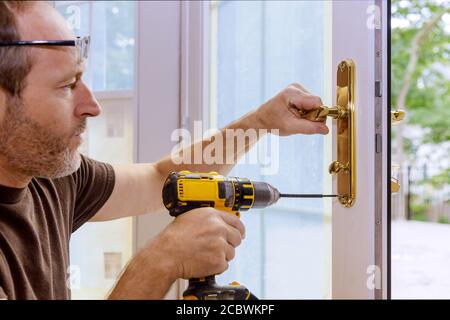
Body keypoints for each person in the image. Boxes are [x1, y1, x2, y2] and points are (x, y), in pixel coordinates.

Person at [0, 1, 329, 300]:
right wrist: (158, 262)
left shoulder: (49, 177)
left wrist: (260, 122)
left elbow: (162, 179)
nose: (92, 105)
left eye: (82, 77)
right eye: (67, 85)